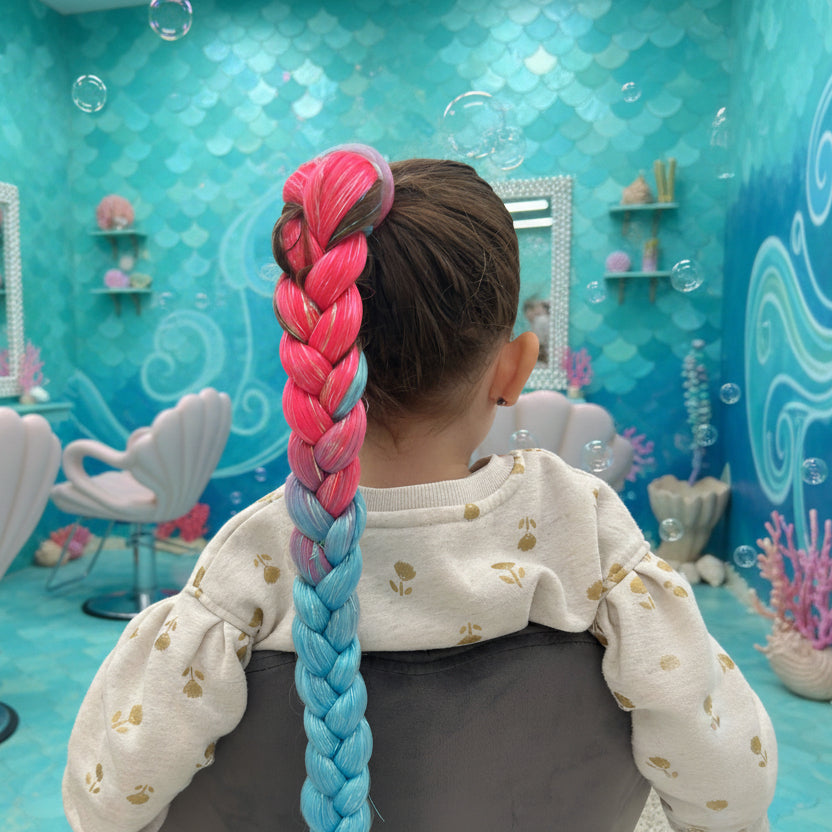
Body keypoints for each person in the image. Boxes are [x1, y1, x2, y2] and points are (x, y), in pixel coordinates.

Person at [63, 146, 777, 832]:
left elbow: (110, 795)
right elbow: (724, 776)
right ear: (515, 366)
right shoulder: (580, 525)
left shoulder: (257, 553)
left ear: (312, 362)